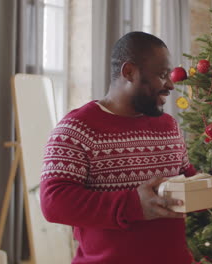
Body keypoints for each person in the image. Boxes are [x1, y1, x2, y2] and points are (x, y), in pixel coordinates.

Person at [40, 31, 196, 264]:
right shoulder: (76, 129)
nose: (171, 85)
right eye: (162, 75)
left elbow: (187, 178)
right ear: (129, 72)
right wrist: (132, 204)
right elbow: (53, 202)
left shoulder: (169, 126)